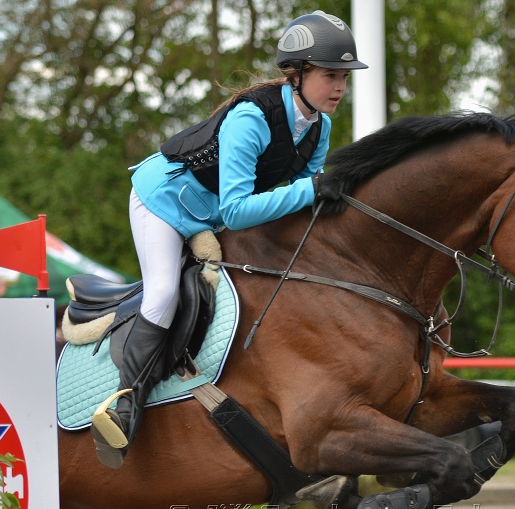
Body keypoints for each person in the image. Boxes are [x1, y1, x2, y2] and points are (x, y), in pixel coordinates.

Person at [90, 10, 368, 469]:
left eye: (344, 77)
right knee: (161, 293)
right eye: (330, 76)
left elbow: (294, 198)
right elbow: (241, 209)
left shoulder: (320, 125)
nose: (339, 87)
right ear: (295, 75)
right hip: (163, 202)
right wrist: (312, 189)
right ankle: (125, 404)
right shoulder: (251, 118)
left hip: (213, 215)